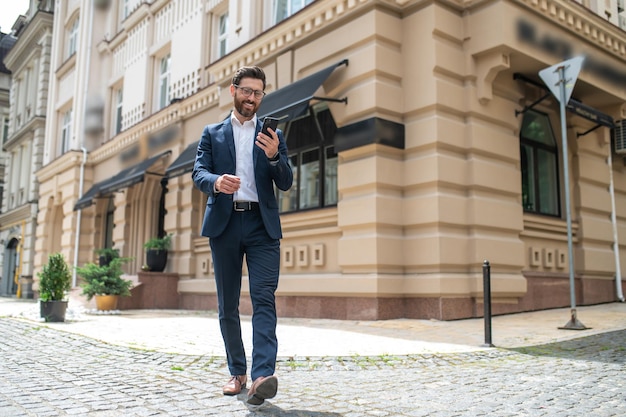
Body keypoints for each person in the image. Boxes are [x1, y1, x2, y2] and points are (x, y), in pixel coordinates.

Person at [192, 66, 293, 406]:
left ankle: (262, 375)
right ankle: (237, 372)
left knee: (264, 298)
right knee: (228, 305)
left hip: (261, 226)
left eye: (258, 93)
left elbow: (286, 180)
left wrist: (274, 155)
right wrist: (216, 183)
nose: (252, 98)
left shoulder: (271, 136)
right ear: (233, 90)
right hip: (225, 225)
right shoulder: (212, 132)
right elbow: (198, 172)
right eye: (247, 91)